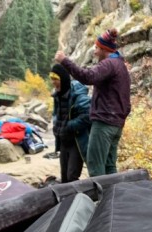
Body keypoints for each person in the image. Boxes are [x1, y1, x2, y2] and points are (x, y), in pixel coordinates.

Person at [54, 28, 131, 177]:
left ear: (104, 49)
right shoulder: (121, 65)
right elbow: (127, 101)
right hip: (116, 125)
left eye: (97, 48)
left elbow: (87, 77)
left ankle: (101, 193)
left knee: (95, 166)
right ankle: (114, 192)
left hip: (104, 123)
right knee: (109, 167)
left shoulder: (109, 64)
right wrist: (121, 118)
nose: (94, 52)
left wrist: (64, 61)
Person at [50, 64, 91, 183]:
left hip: (76, 141)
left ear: (63, 79)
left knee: (71, 176)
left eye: (55, 79)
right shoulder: (57, 95)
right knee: (64, 178)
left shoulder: (78, 94)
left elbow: (87, 116)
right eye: (52, 79)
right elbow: (57, 115)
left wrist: (69, 126)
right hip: (63, 141)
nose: (53, 82)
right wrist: (56, 128)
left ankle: (78, 195)